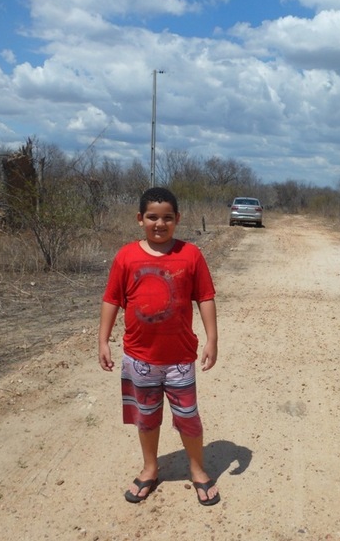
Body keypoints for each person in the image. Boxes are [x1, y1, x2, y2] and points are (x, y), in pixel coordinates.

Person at [97, 187, 221, 506]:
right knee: (146, 418)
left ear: (177, 219)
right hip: (140, 358)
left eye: (167, 217)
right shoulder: (126, 256)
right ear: (140, 219)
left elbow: (205, 297)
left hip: (180, 358)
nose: (159, 223)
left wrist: (212, 338)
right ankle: (150, 468)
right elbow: (112, 299)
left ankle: (197, 469)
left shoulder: (190, 255)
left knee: (188, 418)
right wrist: (103, 339)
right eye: (152, 217)